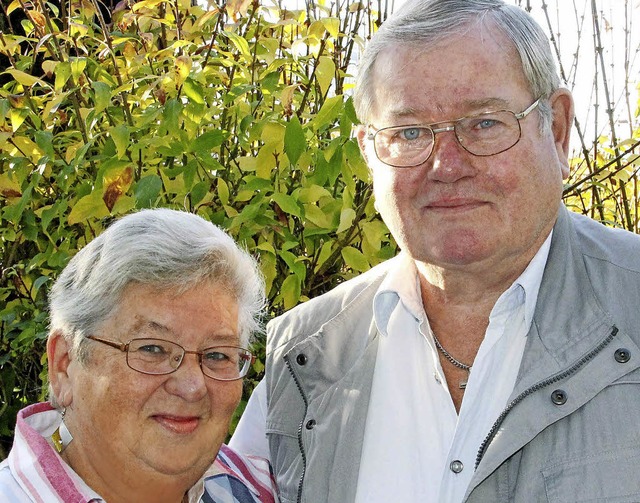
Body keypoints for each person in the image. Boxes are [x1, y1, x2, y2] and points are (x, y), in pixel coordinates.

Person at [229, 0, 640, 501]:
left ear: (555, 129)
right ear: (367, 154)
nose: (447, 164)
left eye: (484, 123)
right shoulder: (304, 357)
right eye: (410, 132)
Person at [0, 208, 279, 503]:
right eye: (153, 349)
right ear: (64, 365)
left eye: (218, 355)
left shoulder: (269, 490)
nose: (192, 386)